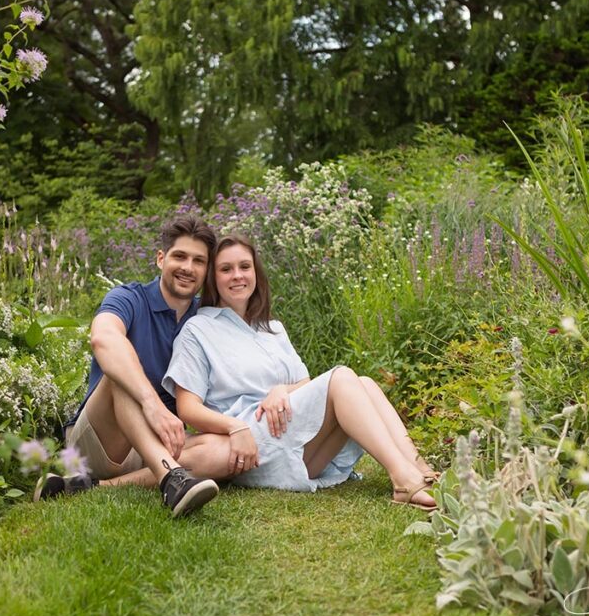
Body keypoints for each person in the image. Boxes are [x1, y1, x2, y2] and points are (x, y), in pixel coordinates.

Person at [162, 234, 439, 509]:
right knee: (342, 376)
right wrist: (236, 428)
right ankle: (402, 478)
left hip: (297, 437)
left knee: (365, 382)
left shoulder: (272, 328)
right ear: (213, 278)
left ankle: (421, 470)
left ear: (255, 272)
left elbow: (304, 382)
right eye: (226, 269)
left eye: (245, 267)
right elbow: (188, 408)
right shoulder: (197, 330)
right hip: (253, 443)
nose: (237, 275)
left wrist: (281, 390)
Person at [35, 215, 234, 517]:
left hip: (156, 445)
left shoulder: (206, 319)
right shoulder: (128, 298)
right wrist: (152, 404)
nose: (188, 268)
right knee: (121, 374)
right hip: (103, 440)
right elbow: (103, 339)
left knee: (226, 451)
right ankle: (172, 479)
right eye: (179, 256)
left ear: (206, 270)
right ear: (160, 258)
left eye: (198, 261)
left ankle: (89, 488)